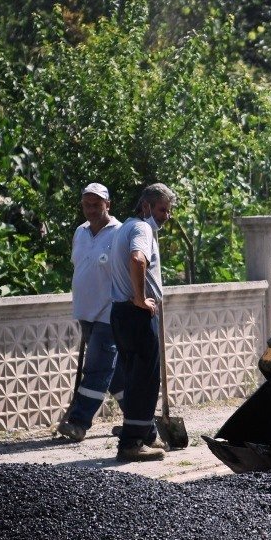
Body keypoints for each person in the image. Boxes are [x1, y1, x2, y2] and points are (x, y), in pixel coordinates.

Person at [107, 183, 177, 462]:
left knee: (135, 375)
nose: (166, 216)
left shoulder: (123, 227)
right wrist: (140, 298)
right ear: (146, 206)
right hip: (136, 313)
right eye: (162, 209)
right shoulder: (141, 229)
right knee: (145, 379)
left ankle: (145, 434)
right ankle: (132, 442)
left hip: (120, 313)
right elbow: (138, 259)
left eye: (168, 211)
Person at [56, 183, 127, 441]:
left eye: (97, 204)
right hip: (85, 313)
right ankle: (140, 422)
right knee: (115, 373)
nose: (91, 209)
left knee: (97, 368)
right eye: (87, 204)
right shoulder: (80, 232)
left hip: (110, 313)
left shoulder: (120, 232)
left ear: (108, 204)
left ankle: (79, 422)